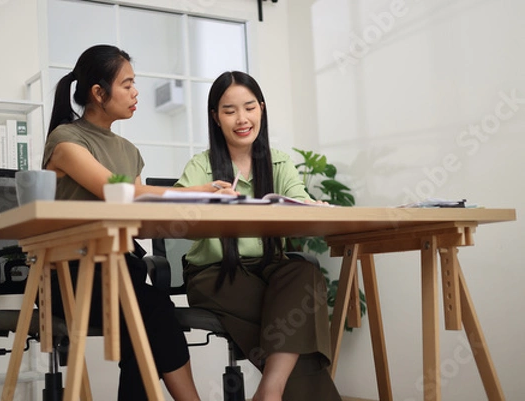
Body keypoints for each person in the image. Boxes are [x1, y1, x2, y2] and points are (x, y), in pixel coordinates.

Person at [42, 44, 224, 401]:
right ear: (98, 92)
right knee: (154, 313)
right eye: (127, 84)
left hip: (121, 269)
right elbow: (118, 191)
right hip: (72, 276)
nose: (135, 92)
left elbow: (137, 217)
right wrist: (193, 191)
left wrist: (203, 201)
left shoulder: (129, 150)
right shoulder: (65, 140)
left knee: (148, 323)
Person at [175, 71, 343, 401]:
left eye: (250, 107)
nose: (242, 119)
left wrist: (313, 205)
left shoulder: (278, 162)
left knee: (305, 272)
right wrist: (207, 195)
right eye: (229, 110)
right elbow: (174, 206)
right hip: (214, 275)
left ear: (261, 110)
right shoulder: (201, 165)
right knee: (294, 316)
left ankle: (270, 390)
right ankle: (273, 391)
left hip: (268, 270)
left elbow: (297, 197)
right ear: (215, 117)